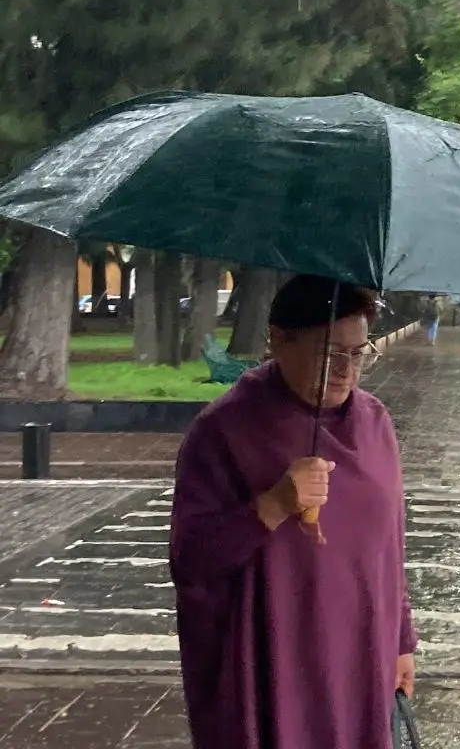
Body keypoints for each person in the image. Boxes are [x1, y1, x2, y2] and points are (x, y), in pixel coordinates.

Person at [169, 274, 417, 749]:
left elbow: (391, 546)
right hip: (272, 663)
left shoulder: (374, 424)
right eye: (330, 353)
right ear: (279, 340)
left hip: (361, 656)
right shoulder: (223, 431)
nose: (346, 369)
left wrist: (403, 640)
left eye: (358, 352)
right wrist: (272, 505)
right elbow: (191, 562)